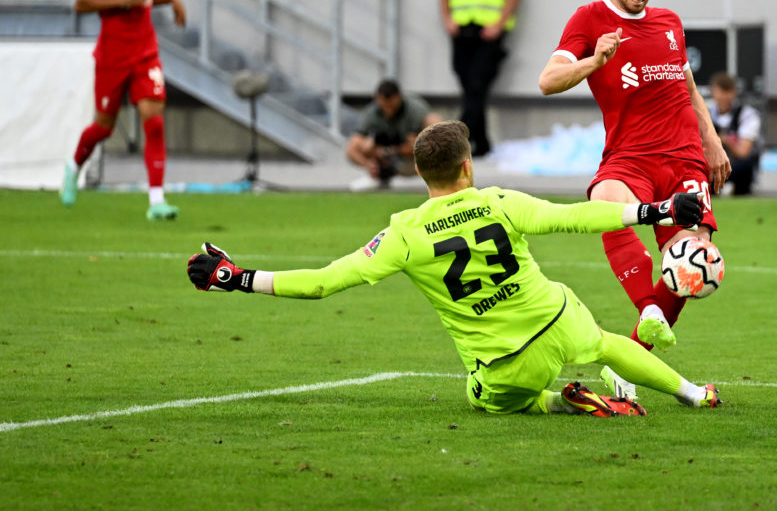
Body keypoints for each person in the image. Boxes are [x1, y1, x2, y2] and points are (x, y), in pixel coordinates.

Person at [187, 120, 722, 415]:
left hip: (507, 363)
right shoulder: (499, 200)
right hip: (559, 318)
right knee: (605, 342)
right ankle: (694, 393)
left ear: (421, 172)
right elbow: (578, 216)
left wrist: (238, 277)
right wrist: (660, 209)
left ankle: (562, 403)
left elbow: (325, 282)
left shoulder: (403, 231)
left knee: (478, 396)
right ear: (467, 166)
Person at [538, 0, 730, 388]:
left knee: (689, 266)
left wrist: (712, 138)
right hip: (629, 157)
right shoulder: (589, 19)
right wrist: (595, 60)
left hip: (684, 159)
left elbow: (687, 88)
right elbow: (547, 80)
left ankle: (626, 365)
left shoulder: (669, 22)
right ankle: (647, 308)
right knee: (605, 205)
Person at [61, 0, 187, 221]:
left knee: (154, 122)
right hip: (112, 55)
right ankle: (73, 166)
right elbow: (81, 3)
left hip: (145, 51)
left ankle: (156, 201)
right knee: (103, 127)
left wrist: (169, 0)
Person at [439, 0, 521, 157]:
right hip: (462, 27)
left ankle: (452, 141)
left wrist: (499, 23)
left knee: (477, 83)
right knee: (470, 85)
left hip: (489, 30)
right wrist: (447, 18)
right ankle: (482, 143)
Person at [345, 79, 443, 190]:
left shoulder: (415, 109)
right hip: (383, 157)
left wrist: (421, 141)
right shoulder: (371, 113)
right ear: (377, 99)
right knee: (364, 145)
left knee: (434, 131)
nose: (388, 110)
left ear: (399, 97)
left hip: (412, 159)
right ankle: (378, 176)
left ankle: (441, 179)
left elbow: (437, 128)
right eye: (384, 105)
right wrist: (367, 164)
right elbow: (352, 148)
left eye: (391, 105)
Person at [708, 72, 762, 195]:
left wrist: (722, 140)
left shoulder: (747, 115)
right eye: (720, 92)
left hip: (735, 168)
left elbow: (743, 152)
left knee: (745, 166)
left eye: (726, 92)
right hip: (712, 167)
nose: (723, 97)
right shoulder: (706, 115)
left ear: (734, 92)